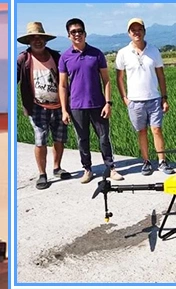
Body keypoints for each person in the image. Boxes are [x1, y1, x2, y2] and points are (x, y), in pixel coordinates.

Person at [59, 18, 124, 184]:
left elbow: (106, 80)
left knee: (104, 138)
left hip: (98, 104)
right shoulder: (65, 57)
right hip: (76, 106)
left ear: (85, 33)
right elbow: (63, 85)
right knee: (82, 139)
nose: (77, 34)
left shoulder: (96, 54)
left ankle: (110, 168)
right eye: (73, 32)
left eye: (80, 31)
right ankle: (87, 169)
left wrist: (108, 103)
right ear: (68, 35)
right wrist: (64, 110)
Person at [115, 18, 174, 176]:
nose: (136, 32)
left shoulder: (154, 51)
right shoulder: (123, 53)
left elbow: (161, 75)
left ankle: (162, 161)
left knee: (157, 129)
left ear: (144, 31)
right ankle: (146, 161)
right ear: (129, 33)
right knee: (141, 131)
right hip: (135, 101)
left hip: (154, 98)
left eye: (139, 29)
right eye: (133, 30)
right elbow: (119, 78)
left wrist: (164, 97)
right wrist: (125, 98)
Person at [17, 22, 71, 190]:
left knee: (59, 138)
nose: (37, 41)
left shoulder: (56, 57)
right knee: (40, 140)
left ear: (45, 40)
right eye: (34, 38)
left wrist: (66, 106)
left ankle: (57, 167)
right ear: (29, 41)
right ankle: (42, 174)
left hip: (59, 104)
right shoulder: (23, 59)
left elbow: (65, 81)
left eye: (40, 38)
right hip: (37, 106)